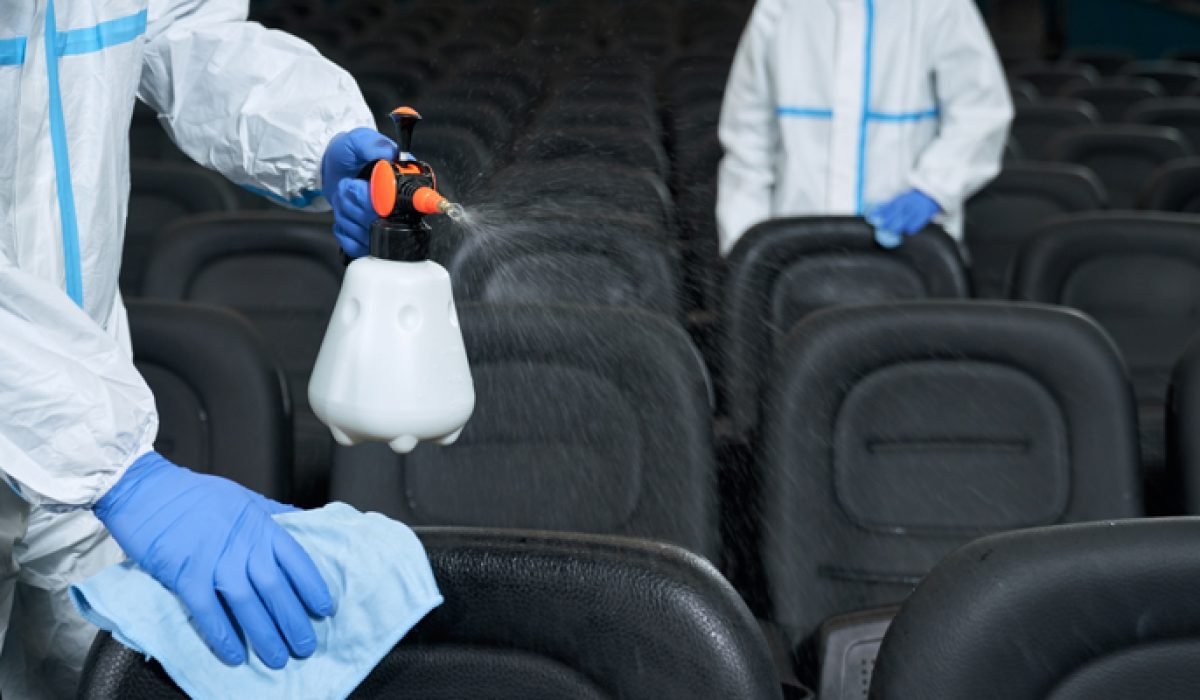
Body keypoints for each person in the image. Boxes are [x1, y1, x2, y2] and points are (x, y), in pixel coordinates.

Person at [0, 2, 393, 697]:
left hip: (81, 436)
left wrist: (318, 135)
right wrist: (114, 468)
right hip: (82, 442)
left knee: (92, 673)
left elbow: (185, 32)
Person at [716, 0, 1013, 254]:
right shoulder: (782, 7)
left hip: (912, 248)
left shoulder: (939, 6)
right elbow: (747, 142)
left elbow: (981, 111)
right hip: (793, 248)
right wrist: (747, 252)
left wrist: (933, 189)